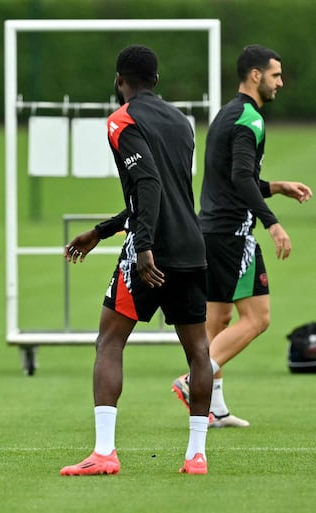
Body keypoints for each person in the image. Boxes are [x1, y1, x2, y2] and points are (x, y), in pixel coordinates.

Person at [59, 45, 212, 476]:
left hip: (151, 253)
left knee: (108, 342)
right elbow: (168, 192)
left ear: (118, 81)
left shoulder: (121, 119)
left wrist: (141, 246)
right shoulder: (182, 122)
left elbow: (147, 184)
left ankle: (104, 453)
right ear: (157, 82)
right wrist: (102, 231)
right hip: (191, 248)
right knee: (198, 351)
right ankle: (196, 456)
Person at [171, 45, 312, 427]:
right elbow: (239, 179)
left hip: (210, 230)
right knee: (258, 318)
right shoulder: (250, 118)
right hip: (234, 234)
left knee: (217, 319)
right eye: (275, 75)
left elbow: (233, 178)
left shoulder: (227, 114)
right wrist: (272, 222)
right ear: (255, 75)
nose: (280, 83)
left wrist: (276, 187)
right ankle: (192, 380)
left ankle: (213, 408)